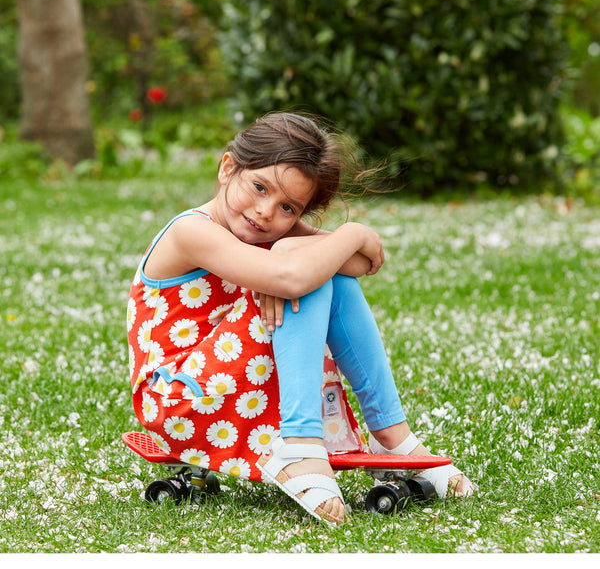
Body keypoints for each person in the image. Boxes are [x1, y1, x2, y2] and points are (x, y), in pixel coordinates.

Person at [126, 112, 476, 526]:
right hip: (179, 400)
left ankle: (394, 437)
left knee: (323, 274)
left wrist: (300, 249)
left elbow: (361, 265)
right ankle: (300, 443)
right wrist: (349, 234)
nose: (264, 212)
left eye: (287, 207)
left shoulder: (272, 230)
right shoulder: (191, 231)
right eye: (258, 187)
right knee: (307, 276)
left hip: (231, 388)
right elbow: (297, 277)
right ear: (227, 168)